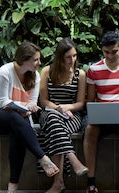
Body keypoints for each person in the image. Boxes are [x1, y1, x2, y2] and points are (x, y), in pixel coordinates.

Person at [0, 41, 60, 193]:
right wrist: (25, 108)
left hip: (20, 119)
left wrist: (28, 109)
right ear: (24, 60)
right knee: (14, 116)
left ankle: (13, 186)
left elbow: (31, 103)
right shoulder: (4, 72)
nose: (39, 63)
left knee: (18, 132)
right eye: (36, 60)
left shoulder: (35, 76)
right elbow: (3, 101)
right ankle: (42, 158)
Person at [83, 31, 119, 193]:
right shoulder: (94, 70)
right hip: (102, 116)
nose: (110, 55)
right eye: (106, 52)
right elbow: (89, 99)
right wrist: (92, 113)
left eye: (114, 51)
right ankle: (91, 182)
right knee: (90, 129)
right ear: (102, 51)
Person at [38, 37, 89, 193]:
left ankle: (58, 183)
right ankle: (73, 159)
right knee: (53, 119)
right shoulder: (47, 71)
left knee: (55, 129)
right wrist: (59, 109)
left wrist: (67, 108)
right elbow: (44, 101)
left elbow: (80, 103)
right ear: (60, 56)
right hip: (50, 113)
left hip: (72, 116)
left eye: (74, 56)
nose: (72, 60)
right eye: (68, 57)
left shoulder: (80, 74)